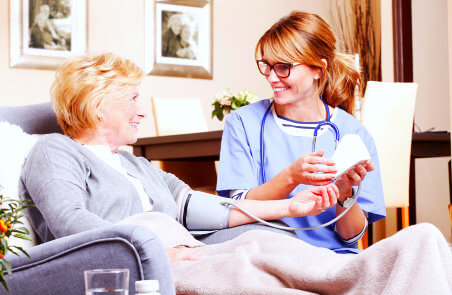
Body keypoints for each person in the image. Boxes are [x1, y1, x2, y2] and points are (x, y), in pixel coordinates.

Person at [20, 52, 451, 294]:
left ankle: (395, 263)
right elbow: (71, 222)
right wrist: (147, 252)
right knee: (248, 269)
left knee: (269, 241)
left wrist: (289, 205)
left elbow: (193, 204)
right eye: (132, 98)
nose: (140, 110)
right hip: (156, 257)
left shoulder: (137, 164)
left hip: (190, 245)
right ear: (98, 106)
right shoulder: (55, 151)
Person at [217, 10, 385, 254]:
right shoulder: (243, 123)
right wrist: (291, 177)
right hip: (268, 256)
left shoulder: (354, 133)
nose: (272, 77)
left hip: (334, 260)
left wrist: (344, 193)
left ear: (318, 68)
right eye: (267, 65)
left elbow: (351, 237)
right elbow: (237, 210)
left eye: (284, 67)